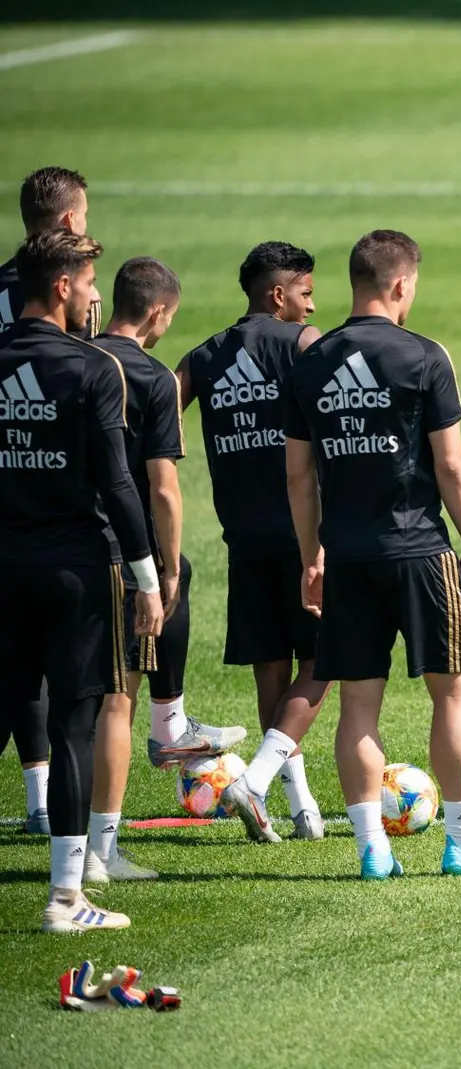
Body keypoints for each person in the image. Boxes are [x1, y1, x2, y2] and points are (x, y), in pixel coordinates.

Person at [279, 229, 461, 879]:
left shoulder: (310, 361)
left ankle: (371, 851)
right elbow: (452, 464)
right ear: (400, 285)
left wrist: (312, 556)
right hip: (418, 548)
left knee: (358, 702)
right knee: (454, 694)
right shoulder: (423, 356)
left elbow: (298, 476)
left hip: (347, 556)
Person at [0, 229, 162, 932]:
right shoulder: (94, 370)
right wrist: (148, 577)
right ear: (61, 286)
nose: (98, 296)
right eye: (90, 284)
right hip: (74, 572)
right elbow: (120, 486)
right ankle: (66, 898)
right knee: (73, 723)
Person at [177, 242, 328, 841]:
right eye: (306, 292)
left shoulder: (203, 355)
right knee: (325, 659)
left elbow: (155, 404)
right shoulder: (302, 344)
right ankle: (260, 785)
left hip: (242, 538)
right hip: (302, 535)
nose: (312, 303)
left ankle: (299, 808)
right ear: (278, 294)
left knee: (272, 670)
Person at [82, 257, 189, 885]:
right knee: (117, 702)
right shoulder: (151, 378)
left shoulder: (74, 359)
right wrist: (168, 570)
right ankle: (101, 854)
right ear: (156, 312)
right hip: (121, 556)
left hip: (52, 546)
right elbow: (163, 488)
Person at [0, 167, 91, 833]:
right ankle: (71, 866)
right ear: (66, 223)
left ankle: (37, 795)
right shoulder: (67, 320)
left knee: (14, 659)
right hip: (60, 514)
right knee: (72, 687)